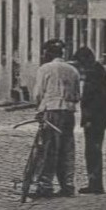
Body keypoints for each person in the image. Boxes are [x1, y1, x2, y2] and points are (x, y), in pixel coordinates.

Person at [30, 38, 81, 197]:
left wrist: (39, 108)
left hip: (51, 111)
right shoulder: (73, 70)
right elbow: (77, 95)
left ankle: (45, 186)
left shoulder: (45, 69)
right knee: (67, 147)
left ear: (48, 53)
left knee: (48, 148)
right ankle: (68, 185)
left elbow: (38, 93)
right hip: (69, 113)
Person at [72, 45, 106, 194]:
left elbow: (94, 99)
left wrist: (88, 119)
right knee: (93, 150)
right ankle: (95, 183)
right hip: (100, 117)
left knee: (93, 151)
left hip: (96, 119)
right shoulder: (97, 70)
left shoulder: (94, 72)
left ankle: (95, 184)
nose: (81, 67)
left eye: (81, 63)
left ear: (86, 60)